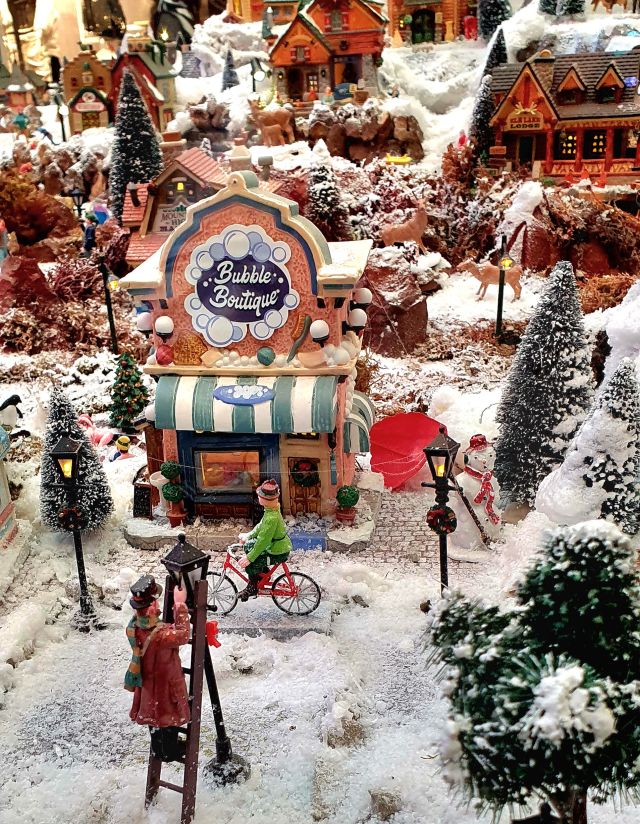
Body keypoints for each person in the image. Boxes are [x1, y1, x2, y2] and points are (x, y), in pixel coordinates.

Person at [125, 575, 190, 761]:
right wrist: (180, 606)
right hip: (164, 685)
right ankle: (170, 751)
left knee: (153, 720)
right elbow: (183, 635)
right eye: (156, 602)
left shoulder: (135, 627)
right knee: (167, 718)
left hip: (147, 684)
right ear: (151, 607)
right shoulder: (160, 636)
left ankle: (158, 748)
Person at [237, 479, 293, 601]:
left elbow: (263, 541)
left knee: (252, 564)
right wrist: (249, 535)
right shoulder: (271, 510)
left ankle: (252, 587)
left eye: (260, 496)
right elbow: (260, 526)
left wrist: (249, 558)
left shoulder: (271, 518)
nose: (258, 497)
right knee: (248, 546)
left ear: (266, 500)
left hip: (277, 550)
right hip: (276, 545)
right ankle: (263, 574)